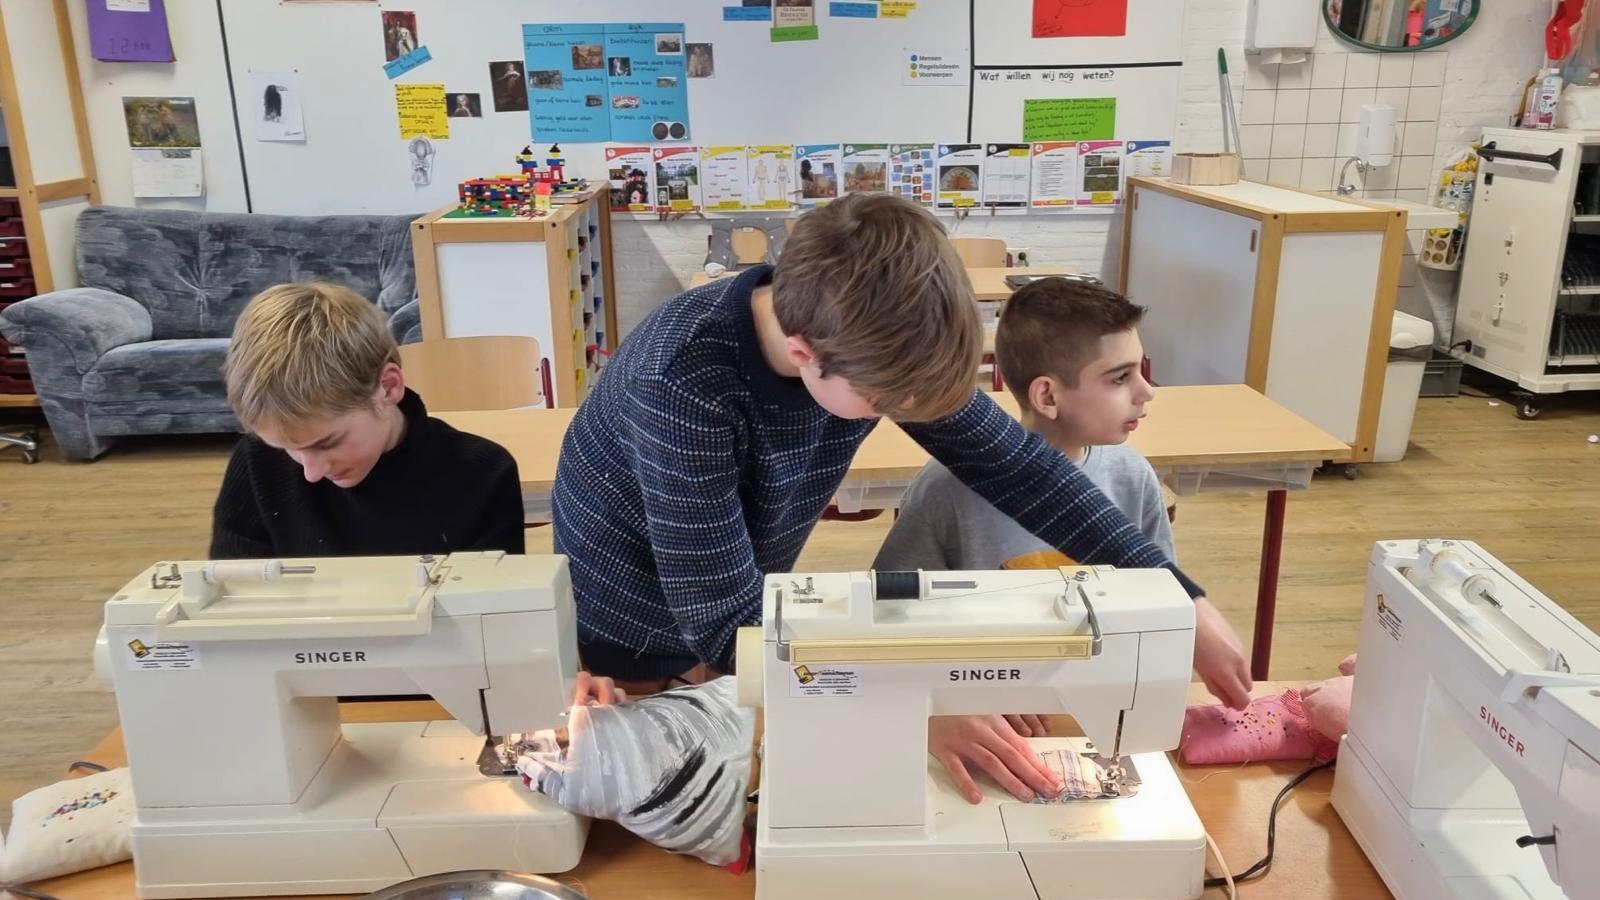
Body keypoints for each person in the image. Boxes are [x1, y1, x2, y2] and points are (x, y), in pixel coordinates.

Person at [551, 192, 1253, 804]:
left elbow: (1023, 471)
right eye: (891, 402)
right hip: (632, 619)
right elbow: (728, 627)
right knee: (658, 788)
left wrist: (1179, 596)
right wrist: (916, 700)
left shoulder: (869, 337)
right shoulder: (681, 384)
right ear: (804, 355)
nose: (912, 411)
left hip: (733, 591)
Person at [210, 282, 525, 560]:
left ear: (388, 387)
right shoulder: (256, 463)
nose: (311, 472)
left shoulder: (482, 473)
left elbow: (491, 603)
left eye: (327, 443)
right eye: (286, 448)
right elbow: (233, 598)